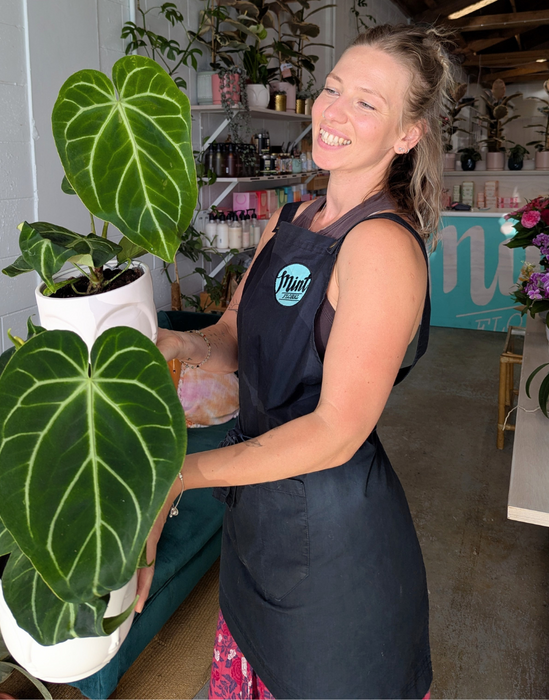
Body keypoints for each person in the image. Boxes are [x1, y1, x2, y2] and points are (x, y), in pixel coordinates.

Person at [135, 23, 456, 699]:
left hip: (333, 542)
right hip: (257, 519)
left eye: (367, 102)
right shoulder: (289, 220)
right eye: (332, 88)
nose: (333, 111)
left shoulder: (381, 249)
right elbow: (231, 335)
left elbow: (337, 430)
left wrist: (178, 476)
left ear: (407, 134)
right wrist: (179, 347)